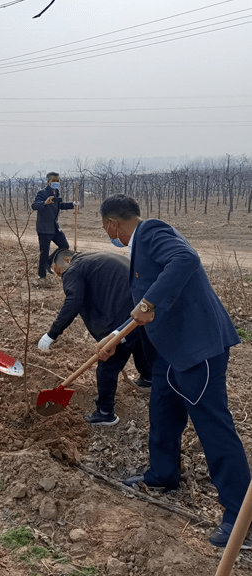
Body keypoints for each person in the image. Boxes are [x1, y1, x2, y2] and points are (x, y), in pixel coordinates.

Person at [96, 194, 251, 549]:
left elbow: (186, 259)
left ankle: (242, 516)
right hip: (172, 352)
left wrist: (150, 302)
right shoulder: (143, 243)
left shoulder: (151, 232)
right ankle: (163, 474)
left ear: (111, 225)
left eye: (107, 229)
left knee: (213, 426)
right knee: (163, 411)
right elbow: (141, 308)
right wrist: (115, 339)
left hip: (198, 349)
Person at [37, 248, 152, 426]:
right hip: (144, 305)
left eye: (59, 272)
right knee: (137, 339)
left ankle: (105, 413)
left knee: (107, 361)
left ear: (67, 260)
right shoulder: (93, 258)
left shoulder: (73, 269)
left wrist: (52, 334)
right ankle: (148, 379)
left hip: (123, 313)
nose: (61, 278)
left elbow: (73, 302)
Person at [31, 172, 76, 280]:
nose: (56, 183)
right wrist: (45, 203)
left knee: (64, 245)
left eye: (58, 181)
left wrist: (72, 204)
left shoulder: (57, 194)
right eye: (54, 181)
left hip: (55, 228)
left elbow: (60, 205)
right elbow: (34, 205)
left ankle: (48, 262)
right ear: (48, 182)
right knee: (44, 252)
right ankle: (42, 277)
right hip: (44, 229)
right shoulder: (42, 193)